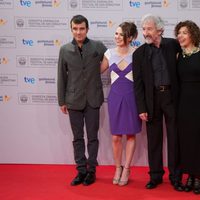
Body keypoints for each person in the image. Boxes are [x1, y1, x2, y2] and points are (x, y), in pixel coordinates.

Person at [132, 14, 184, 191]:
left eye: (149, 29)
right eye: (144, 29)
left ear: (159, 30)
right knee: (154, 139)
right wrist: (141, 107)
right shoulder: (139, 54)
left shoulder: (173, 45)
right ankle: (155, 176)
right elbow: (137, 84)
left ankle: (176, 176)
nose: (145, 33)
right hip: (152, 100)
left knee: (174, 138)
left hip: (172, 97)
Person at [57, 15, 107, 186]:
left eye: (82, 28)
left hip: (93, 99)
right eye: (75, 29)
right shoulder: (64, 50)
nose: (78, 32)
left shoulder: (98, 47)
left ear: (87, 29)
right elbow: (61, 77)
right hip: (73, 100)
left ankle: (91, 170)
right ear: (71, 29)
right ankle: (81, 170)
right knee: (77, 137)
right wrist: (61, 101)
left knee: (93, 137)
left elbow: (112, 60)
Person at [101, 22, 141, 186]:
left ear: (130, 37)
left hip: (133, 97)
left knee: (131, 134)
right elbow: (97, 70)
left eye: (120, 34)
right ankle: (118, 167)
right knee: (116, 137)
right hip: (115, 97)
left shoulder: (138, 54)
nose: (116, 37)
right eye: (116, 33)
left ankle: (127, 168)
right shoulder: (109, 54)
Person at [174, 20, 200, 195]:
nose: (180, 36)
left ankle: (198, 176)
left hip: (198, 101)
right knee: (186, 140)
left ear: (193, 34)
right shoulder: (178, 56)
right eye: (179, 33)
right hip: (183, 103)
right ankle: (189, 175)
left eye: (184, 32)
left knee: (198, 139)